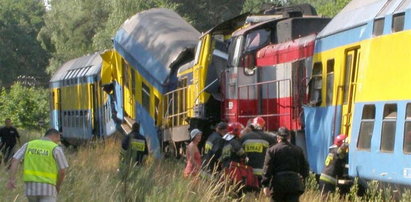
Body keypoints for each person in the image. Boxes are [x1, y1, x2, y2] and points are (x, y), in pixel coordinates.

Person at [7, 128, 68, 202]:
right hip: (48, 188)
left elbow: (15, 160)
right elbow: (62, 171)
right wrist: (58, 186)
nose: (58, 142)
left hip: (30, 188)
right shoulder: (55, 148)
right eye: (58, 140)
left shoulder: (28, 145)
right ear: (55, 136)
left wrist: (11, 179)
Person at [262, 127, 309, 202]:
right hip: (294, 185)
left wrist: (265, 185)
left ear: (277, 138)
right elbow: (305, 169)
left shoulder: (272, 150)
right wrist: (303, 182)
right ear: (289, 137)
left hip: (278, 185)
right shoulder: (298, 150)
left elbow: (267, 168)